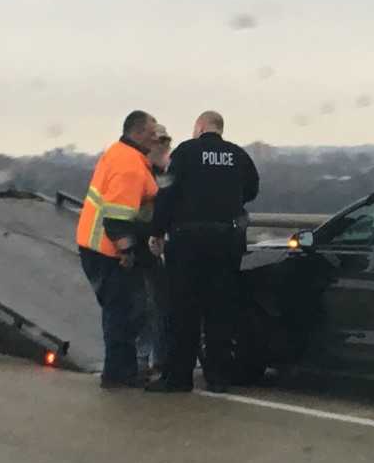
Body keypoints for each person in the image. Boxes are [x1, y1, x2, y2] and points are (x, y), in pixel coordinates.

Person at [146, 110, 259, 393]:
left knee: (183, 311)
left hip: (188, 243)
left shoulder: (186, 152)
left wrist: (157, 231)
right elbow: (252, 189)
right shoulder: (237, 155)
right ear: (220, 129)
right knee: (220, 310)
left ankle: (178, 377)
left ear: (199, 127)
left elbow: (166, 194)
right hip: (226, 241)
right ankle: (219, 376)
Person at [76, 110, 161, 389]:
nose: (155, 137)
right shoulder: (130, 167)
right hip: (107, 250)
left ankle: (120, 372)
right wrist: (127, 252)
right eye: (151, 133)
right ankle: (117, 374)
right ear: (136, 132)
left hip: (95, 245)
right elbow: (116, 219)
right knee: (122, 313)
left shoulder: (122, 153)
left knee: (122, 311)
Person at [136, 125, 174, 376]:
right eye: (158, 140)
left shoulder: (169, 173)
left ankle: (158, 359)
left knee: (160, 304)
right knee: (145, 305)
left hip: (159, 247)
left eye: (166, 140)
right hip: (140, 245)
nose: (163, 144)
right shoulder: (141, 172)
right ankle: (142, 360)